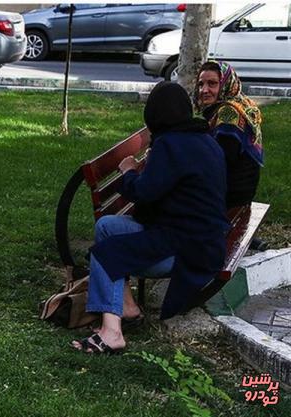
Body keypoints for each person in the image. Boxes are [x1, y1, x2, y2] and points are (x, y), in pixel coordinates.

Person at [71, 82, 229, 354]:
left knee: (104, 252)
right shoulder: (202, 139)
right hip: (203, 242)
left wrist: (129, 170)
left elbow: (143, 193)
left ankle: (112, 334)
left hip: (185, 251)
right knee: (107, 227)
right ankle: (128, 309)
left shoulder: (170, 145)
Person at [194, 60, 263, 209]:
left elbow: (222, 160)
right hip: (243, 189)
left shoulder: (228, 113)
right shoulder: (242, 102)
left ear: (226, 83)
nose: (204, 90)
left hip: (231, 194)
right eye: (201, 84)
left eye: (212, 83)